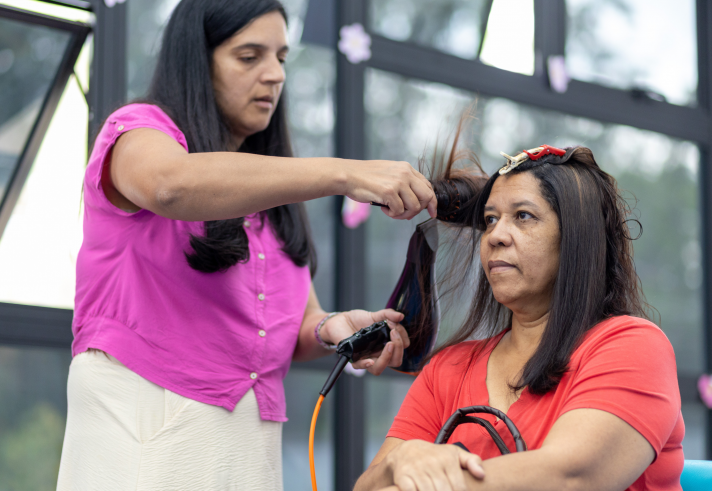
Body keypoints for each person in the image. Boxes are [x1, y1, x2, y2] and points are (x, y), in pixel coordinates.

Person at [56, 0, 436, 489]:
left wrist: (333, 328)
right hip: (144, 416)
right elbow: (170, 185)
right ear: (197, 60)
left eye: (281, 57)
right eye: (249, 56)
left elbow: (296, 323)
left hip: (249, 442)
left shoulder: (268, 189)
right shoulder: (136, 131)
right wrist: (344, 172)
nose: (274, 74)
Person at [354, 145, 684, 491]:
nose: (495, 236)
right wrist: (399, 463)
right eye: (490, 220)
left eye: (523, 216)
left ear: (575, 237)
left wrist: (432, 481)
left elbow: (570, 478)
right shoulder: (446, 369)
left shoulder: (634, 348)